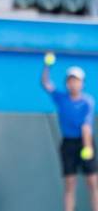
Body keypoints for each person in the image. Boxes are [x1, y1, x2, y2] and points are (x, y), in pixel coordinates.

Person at [42, 62, 98, 211]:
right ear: (67, 83)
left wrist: (87, 147)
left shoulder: (88, 102)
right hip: (68, 144)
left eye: (77, 80)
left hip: (85, 143)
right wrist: (47, 66)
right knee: (69, 184)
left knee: (92, 183)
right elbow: (45, 83)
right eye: (71, 80)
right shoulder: (61, 98)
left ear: (82, 83)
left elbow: (86, 126)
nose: (74, 84)